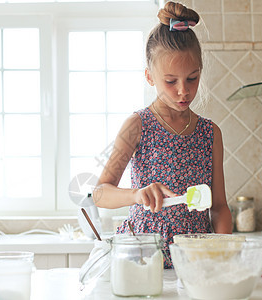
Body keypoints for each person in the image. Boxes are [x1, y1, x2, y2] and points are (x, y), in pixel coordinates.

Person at [93, 1, 232, 268]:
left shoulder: (210, 133)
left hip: (195, 262)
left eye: (192, 78)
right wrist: (136, 195)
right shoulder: (137, 125)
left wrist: (222, 255)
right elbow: (100, 193)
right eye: (171, 81)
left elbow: (219, 207)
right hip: (143, 260)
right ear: (149, 76)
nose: (183, 91)